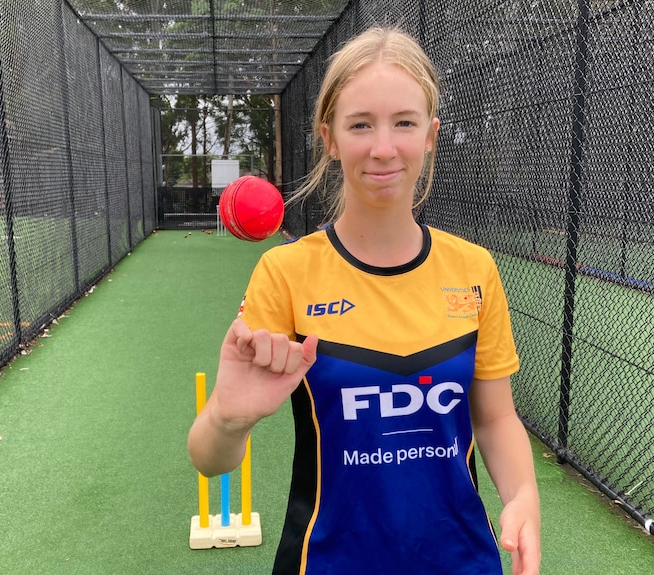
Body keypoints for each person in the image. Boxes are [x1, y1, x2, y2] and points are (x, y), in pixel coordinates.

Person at [188, 26, 541, 575]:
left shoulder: (474, 270)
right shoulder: (286, 273)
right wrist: (229, 420)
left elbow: (495, 420)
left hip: (462, 561)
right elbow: (209, 460)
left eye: (405, 122)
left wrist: (523, 499)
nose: (383, 148)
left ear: (430, 134)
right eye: (360, 125)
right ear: (329, 137)